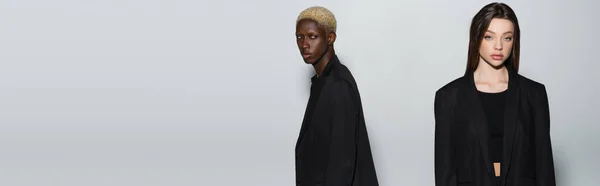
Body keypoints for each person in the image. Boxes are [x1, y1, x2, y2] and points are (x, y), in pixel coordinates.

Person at [434, 3, 556, 186]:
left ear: (514, 41)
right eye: (489, 37)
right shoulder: (449, 97)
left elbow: (544, 168)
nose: (498, 46)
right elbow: (445, 172)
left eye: (507, 38)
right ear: (476, 38)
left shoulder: (534, 94)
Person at [294, 6, 379, 186]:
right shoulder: (323, 82)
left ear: (330, 38)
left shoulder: (338, 85)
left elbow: (342, 164)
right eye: (299, 37)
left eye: (312, 36)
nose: (304, 44)